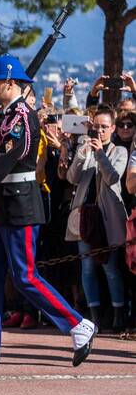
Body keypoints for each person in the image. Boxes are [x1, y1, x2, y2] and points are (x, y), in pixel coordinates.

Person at [0, 54, 96, 366]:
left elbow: (4, 162)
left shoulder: (20, 118)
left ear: (10, 83)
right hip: (5, 204)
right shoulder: (7, 116)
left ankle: (78, 324)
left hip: (20, 202)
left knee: (25, 276)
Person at [65, 106, 129, 334]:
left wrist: (100, 153)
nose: (99, 131)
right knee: (88, 269)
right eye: (96, 127)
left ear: (112, 128)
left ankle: (118, 313)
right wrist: (82, 154)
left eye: (104, 127)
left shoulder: (119, 151)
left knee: (111, 268)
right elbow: (72, 178)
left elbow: (113, 177)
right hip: (85, 219)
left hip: (107, 218)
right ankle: (93, 316)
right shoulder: (87, 149)